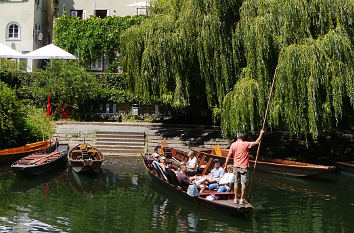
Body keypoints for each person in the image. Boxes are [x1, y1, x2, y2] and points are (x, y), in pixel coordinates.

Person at [225, 130, 264, 204]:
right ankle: (242, 199)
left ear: (237, 138)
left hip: (236, 166)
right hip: (244, 167)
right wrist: (261, 134)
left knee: (236, 183)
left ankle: (235, 199)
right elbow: (257, 142)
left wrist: (225, 164)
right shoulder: (245, 144)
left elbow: (228, 156)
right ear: (242, 138)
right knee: (243, 183)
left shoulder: (233, 145)